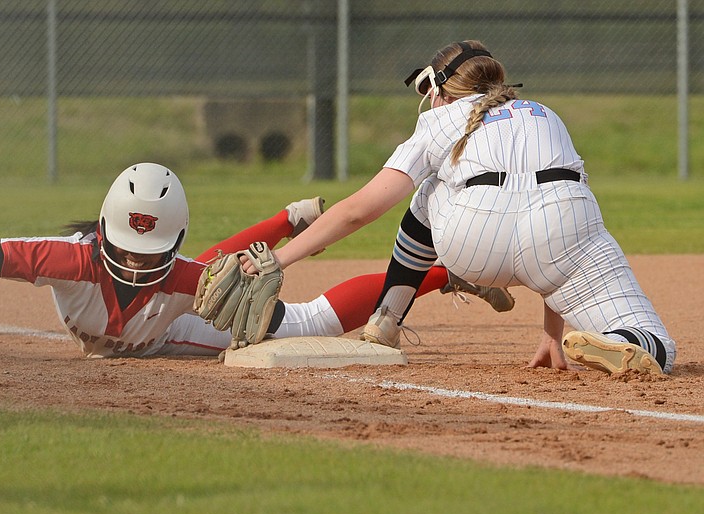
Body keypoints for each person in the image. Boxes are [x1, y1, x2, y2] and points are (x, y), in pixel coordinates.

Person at [253, 40, 675, 375]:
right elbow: (550, 203)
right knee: (655, 343)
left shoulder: (438, 120)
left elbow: (357, 211)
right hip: (562, 238)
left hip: (473, 242)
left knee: (430, 190)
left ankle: (386, 321)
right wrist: (553, 331)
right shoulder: (545, 113)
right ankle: (629, 342)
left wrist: (280, 258)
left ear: (437, 89)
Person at [0, 162, 512, 361]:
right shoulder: (68, 260)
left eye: (149, 251)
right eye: (125, 245)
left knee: (300, 319)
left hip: (173, 335)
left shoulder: (181, 277)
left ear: (172, 242)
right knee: (212, 273)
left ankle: (441, 272)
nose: (133, 259)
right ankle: (291, 215)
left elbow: (220, 262)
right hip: (151, 318)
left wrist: (277, 249)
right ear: (102, 229)